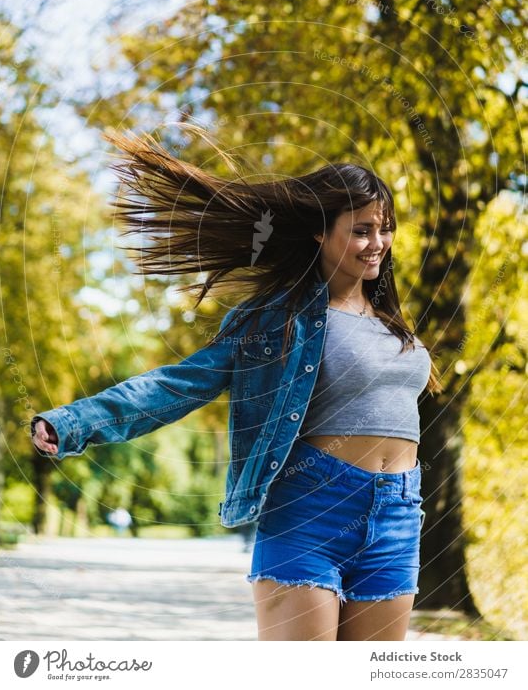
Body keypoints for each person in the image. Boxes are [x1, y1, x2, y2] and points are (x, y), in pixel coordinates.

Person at [30, 127, 442, 641]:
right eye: (361, 230)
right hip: (309, 507)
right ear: (320, 231)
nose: (377, 243)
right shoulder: (275, 321)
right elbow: (178, 384)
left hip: (398, 513)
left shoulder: (392, 323)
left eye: (385, 229)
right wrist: (75, 422)